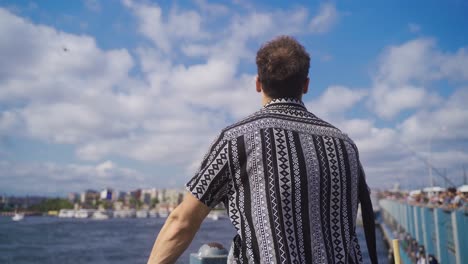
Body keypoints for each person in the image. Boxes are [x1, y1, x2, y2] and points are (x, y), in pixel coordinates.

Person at [147, 36, 378, 264]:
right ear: (305, 85)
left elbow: (183, 222)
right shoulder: (345, 145)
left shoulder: (237, 139)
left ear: (258, 83)